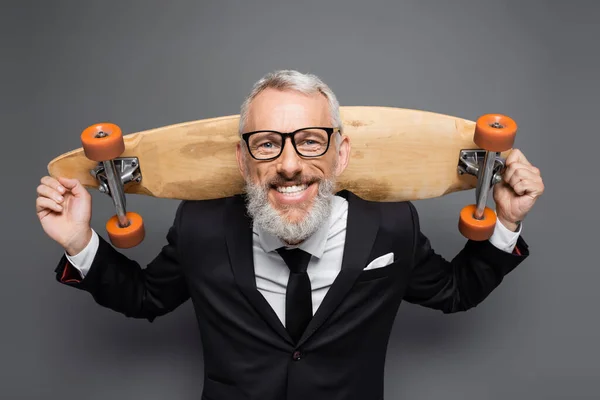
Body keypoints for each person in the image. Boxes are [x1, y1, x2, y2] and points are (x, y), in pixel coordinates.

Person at [36, 70, 544, 400]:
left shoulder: (390, 226)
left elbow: (456, 291)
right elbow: (146, 297)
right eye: (266, 144)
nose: (289, 165)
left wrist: (506, 221)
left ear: (340, 154)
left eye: (309, 141)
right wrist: (78, 241)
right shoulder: (202, 227)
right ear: (242, 158)